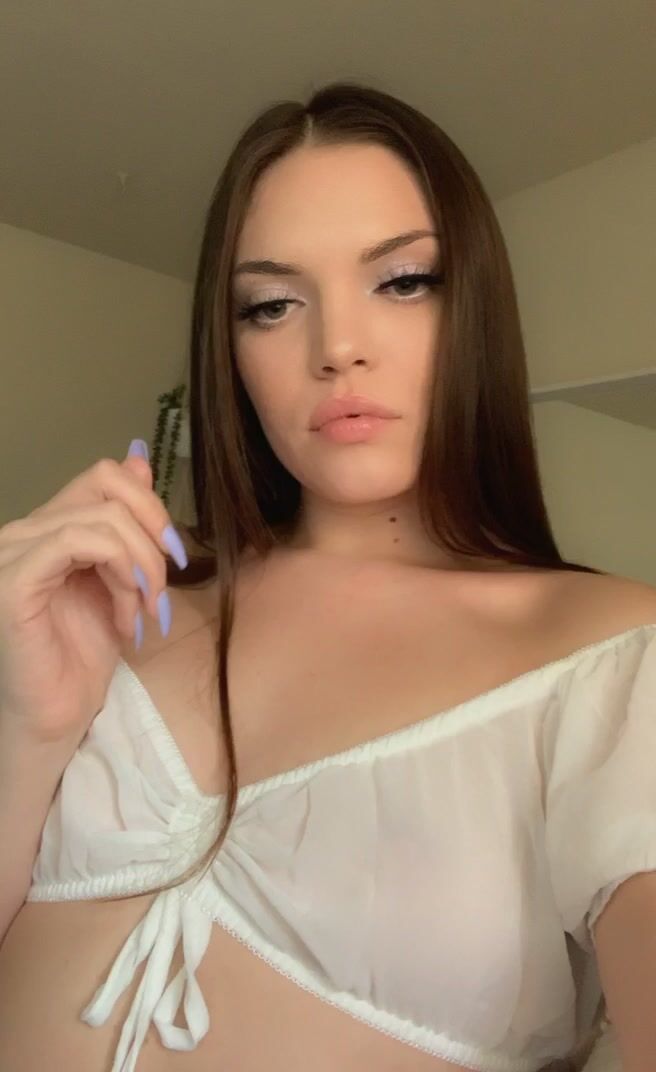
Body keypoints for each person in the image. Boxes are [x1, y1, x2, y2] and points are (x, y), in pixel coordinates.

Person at [0, 80, 655, 1072]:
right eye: (271, 305)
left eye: (403, 281)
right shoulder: (119, 604)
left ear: (475, 307)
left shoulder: (608, 655)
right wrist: (31, 727)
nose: (336, 347)